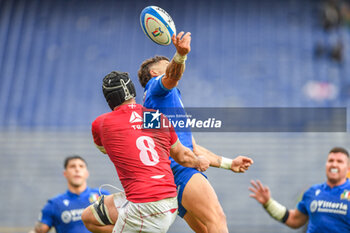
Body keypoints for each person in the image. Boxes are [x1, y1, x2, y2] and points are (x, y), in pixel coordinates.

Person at [138, 31, 254, 233]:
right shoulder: (155, 87)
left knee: (206, 230)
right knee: (217, 220)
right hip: (181, 170)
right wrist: (181, 55)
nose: (171, 65)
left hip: (170, 175)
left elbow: (188, 147)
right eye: (166, 64)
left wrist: (228, 163)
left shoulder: (156, 104)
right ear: (155, 74)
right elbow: (172, 75)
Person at [81, 71, 210, 233]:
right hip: (169, 201)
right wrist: (199, 161)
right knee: (89, 217)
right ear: (133, 91)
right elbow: (183, 156)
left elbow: (105, 150)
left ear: (109, 99)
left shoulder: (101, 123)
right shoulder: (155, 117)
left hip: (145, 206)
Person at [249, 147, 350, 233]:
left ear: (348, 168)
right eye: (330, 161)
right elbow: (294, 219)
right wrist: (269, 204)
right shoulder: (312, 192)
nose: (334, 165)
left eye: (339, 161)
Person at [29, 155, 109, 233]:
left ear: (87, 173)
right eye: (72, 166)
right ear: (65, 174)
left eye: (81, 166)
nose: (77, 169)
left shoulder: (102, 196)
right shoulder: (54, 204)